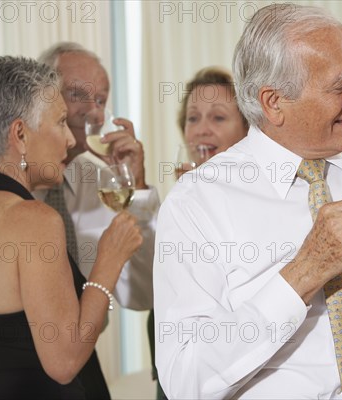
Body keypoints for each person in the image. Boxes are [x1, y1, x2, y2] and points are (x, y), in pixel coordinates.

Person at [154, 4, 342, 398]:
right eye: (341, 82)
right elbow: (184, 379)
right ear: (274, 102)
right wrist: (305, 271)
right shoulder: (197, 203)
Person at [0, 56, 142, 399]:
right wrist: (109, 261)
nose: (71, 141)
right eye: (59, 123)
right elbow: (65, 362)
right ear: (21, 135)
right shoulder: (35, 220)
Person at [0, 42, 159, 311]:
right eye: (76, 94)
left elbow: (143, 295)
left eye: (100, 100)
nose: (94, 112)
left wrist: (137, 188)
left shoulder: (105, 186)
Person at [148, 65, 249, 400]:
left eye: (218, 118)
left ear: (247, 129)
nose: (201, 130)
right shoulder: (179, 204)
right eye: (193, 118)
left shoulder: (256, 205)